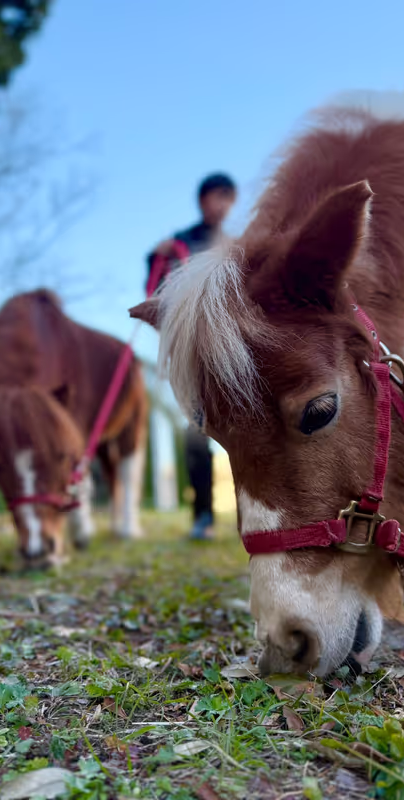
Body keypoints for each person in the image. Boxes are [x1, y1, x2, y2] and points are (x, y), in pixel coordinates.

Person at [146, 173, 237, 539]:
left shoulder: (236, 245)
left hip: (233, 350)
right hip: (196, 354)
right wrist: (156, 256)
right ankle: (204, 517)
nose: (223, 205)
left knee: (251, 431)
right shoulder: (178, 245)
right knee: (197, 433)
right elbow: (156, 299)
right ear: (202, 201)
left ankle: (259, 511)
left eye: (228, 199)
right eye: (217, 197)